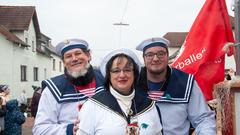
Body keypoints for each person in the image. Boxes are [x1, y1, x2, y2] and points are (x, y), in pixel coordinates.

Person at [136, 37, 216, 135]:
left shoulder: (186, 82)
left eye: (161, 54)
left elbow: (203, 119)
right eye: (150, 55)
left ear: (167, 56)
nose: (156, 58)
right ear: (143, 58)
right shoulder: (133, 82)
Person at [76, 49, 163, 135]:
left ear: (134, 73)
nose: (122, 75)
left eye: (127, 70)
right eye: (116, 71)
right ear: (109, 75)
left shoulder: (149, 105)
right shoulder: (92, 106)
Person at [33, 39, 104, 135]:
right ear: (64, 62)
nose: (74, 59)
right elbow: (39, 129)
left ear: (88, 55)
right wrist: (69, 130)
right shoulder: (53, 89)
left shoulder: (105, 80)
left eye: (78, 53)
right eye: (68, 56)